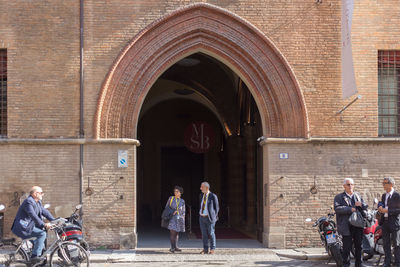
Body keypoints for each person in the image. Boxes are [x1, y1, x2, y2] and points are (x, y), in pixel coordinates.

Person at [11, 186, 55, 264]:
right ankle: (35, 257)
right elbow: (32, 215)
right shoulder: (28, 201)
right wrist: (43, 224)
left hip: (28, 226)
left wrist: (55, 220)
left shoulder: (37, 202)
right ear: (35, 194)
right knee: (42, 234)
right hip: (22, 227)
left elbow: (44, 211)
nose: (43, 194)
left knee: (38, 242)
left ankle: (33, 262)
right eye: (41, 193)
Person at [334, 178, 367, 267]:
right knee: (347, 247)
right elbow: (337, 209)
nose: (350, 186)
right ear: (344, 186)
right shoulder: (339, 197)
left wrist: (361, 205)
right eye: (348, 185)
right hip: (346, 225)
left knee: (359, 246)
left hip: (358, 224)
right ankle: (346, 264)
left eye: (352, 184)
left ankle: (359, 264)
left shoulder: (358, 195)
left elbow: (365, 206)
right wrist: (350, 209)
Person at [378, 177, 400, 267]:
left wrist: (387, 210)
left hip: (394, 222)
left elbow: (398, 210)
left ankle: (398, 262)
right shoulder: (384, 195)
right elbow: (381, 203)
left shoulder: (397, 196)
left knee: (396, 243)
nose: (383, 185)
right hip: (385, 222)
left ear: (391, 184)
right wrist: (380, 206)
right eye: (383, 183)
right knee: (386, 244)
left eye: (385, 183)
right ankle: (387, 262)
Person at [199, 181, 219, 255]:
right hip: (202, 217)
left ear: (207, 188)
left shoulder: (213, 196)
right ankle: (205, 249)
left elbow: (216, 208)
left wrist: (214, 217)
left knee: (211, 233)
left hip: (209, 218)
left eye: (202, 187)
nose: (200, 188)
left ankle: (212, 249)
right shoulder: (201, 195)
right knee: (204, 234)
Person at [165, 186, 185, 253]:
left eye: (177, 191)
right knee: (172, 233)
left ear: (180, 193)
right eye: (175, 191)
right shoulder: (171, 198)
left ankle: (176, 247)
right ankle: (172, 248)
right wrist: (172, 211)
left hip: (179, 219)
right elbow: (167, 207)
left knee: (176, 234)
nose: (175, 193)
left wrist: (180, 213)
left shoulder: (182, 201)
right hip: (172, 218)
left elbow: (183, 211)